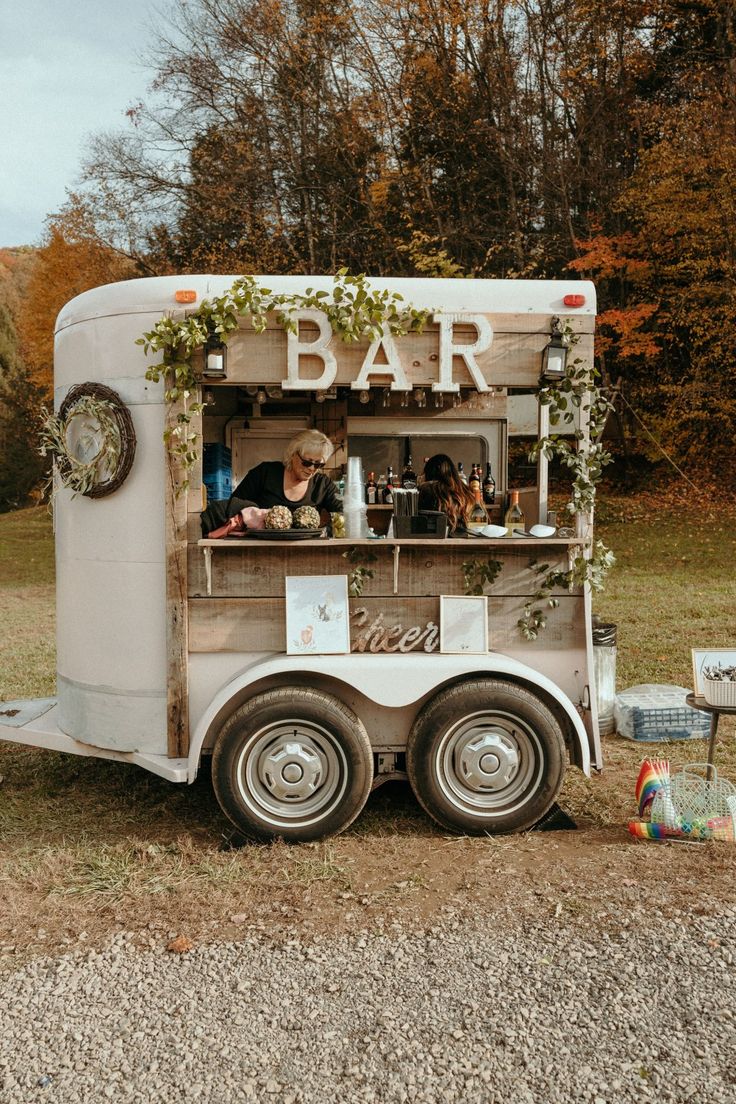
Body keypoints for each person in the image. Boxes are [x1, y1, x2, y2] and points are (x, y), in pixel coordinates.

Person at [222, 429, 342, 530]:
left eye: (318, 465)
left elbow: (343, 510)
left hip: (305, 549)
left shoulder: (322, 483)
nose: (311, 469)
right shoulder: (265, 473)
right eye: (306, 462)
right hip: (261, 546)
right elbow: (234, 504)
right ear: (293, 454)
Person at [418, 453, 476, 535]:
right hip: (467, 538)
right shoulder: (467, 491)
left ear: (429, 472)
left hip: (435, 540)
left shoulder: (427, 489)